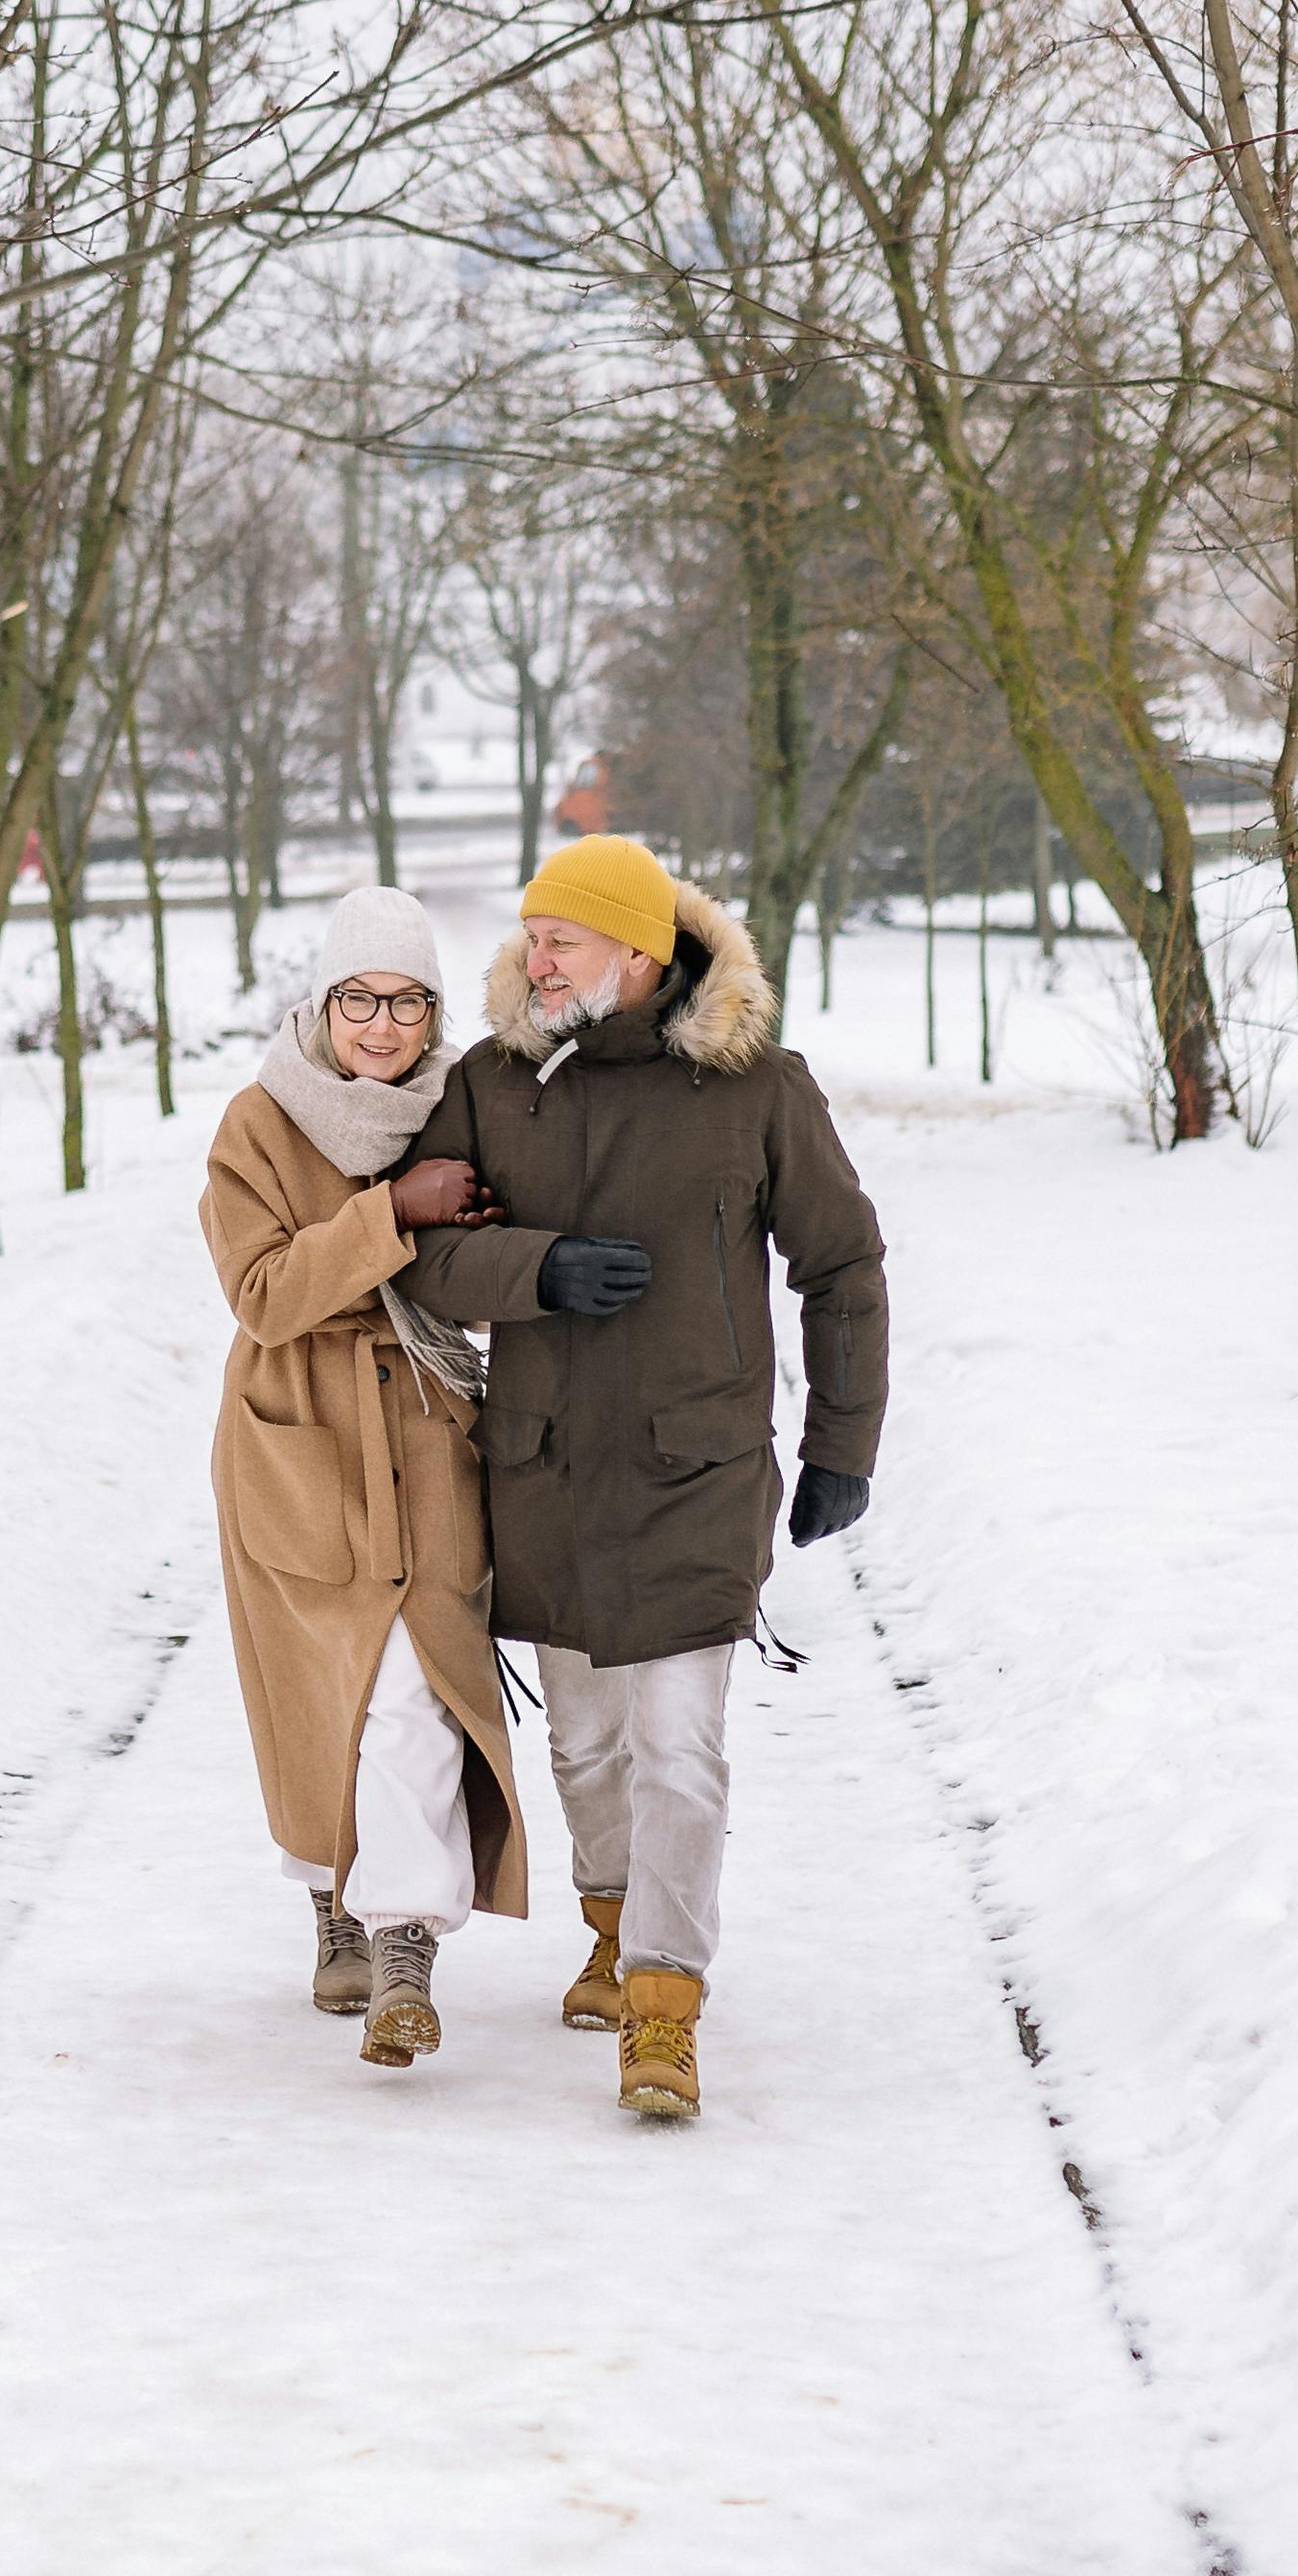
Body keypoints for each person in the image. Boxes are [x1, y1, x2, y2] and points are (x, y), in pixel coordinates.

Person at [394, 834, 887, 2121]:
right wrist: (535, 1271)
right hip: (546, 1473)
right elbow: (425, 1262)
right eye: (531, 933)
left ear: (640, 952)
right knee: (590, 1746)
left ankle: (664, 2008)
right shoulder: (494, 1084)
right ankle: (610, 1928)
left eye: (560, 935)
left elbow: (843, 1268)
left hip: (695, 1470)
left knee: (680, 1747)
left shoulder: (758, 1088)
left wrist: (843, 1447)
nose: (530, 955)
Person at [199, 887, 531, 2070]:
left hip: (429, 1430)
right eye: (361, 998)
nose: (382, 1026)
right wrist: (393, 1211)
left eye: (408, 1002)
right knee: (318, 1688)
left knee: (419, 1686)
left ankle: (404, 1950)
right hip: (298, 1440)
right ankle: (335, 1903)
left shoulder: (463, 1105)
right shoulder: (258, 1122)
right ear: (325, 999)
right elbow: (265, 1293)